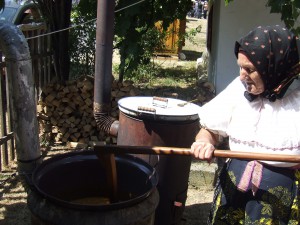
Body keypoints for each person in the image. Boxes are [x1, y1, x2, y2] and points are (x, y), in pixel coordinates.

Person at [191, 25, 300, 224]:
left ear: (273, 67)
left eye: (250, 69)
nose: (242, 75)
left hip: (281, 201)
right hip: (233, 190)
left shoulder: (297, 101)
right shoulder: (238, 89)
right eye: (240, 67)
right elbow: (209, 130)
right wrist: (204, 142)